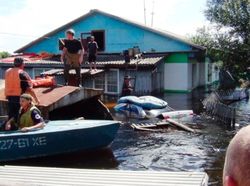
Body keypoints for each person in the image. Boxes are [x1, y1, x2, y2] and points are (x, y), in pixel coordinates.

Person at [5, 57, 40, 123]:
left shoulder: (8, 71)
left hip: (9, 98)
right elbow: (29, 89)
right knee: (19, 117)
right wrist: (36, 99)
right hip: (20, 99)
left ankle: (10, 129)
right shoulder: (22, 73)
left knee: (11, 116)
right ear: (22, 64)